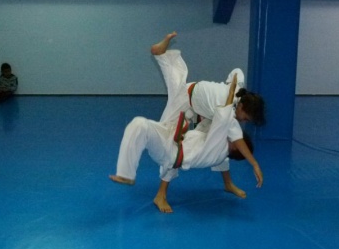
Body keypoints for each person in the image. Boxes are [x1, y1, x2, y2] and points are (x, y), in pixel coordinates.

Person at [110, 33, 265, 213]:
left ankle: (160, 55)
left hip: (198, 102)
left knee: (175, 106)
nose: (242, 121)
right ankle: (160, 194)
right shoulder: (229, 114)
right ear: (242, 106)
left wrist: (232, 85)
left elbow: (236, 71)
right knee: (166, 131)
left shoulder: (238, 93)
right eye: (245, 117)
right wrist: (254, 163)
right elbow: (237, 139)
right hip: (186, 102)